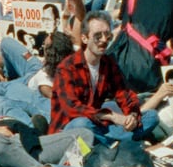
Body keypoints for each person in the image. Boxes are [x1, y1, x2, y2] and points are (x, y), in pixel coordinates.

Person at [50, 13, 153, 142]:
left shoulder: (108, 63)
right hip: (68, 130)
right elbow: (73, 108)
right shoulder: (67, 68)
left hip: (97, 124)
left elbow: (124, 94)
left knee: (151, 116)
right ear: (85, 38)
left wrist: (132, 115)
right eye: (98, 36)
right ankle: (116, 143)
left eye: (107, 35)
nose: (104, 40)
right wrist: (111, 116)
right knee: (82, 124)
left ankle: (110, 143)